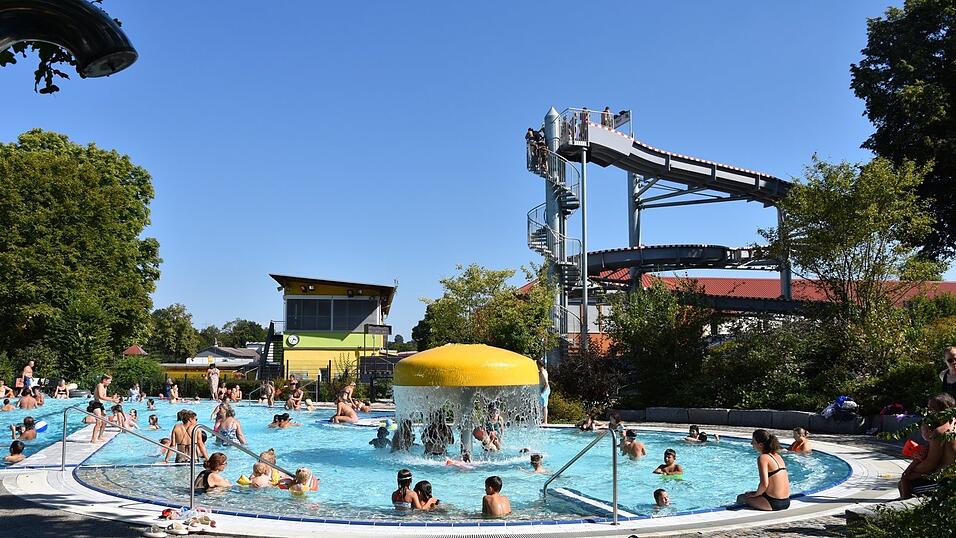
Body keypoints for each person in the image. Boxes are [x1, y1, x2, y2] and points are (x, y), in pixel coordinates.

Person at [899, 393, 956, 499]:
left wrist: (910, 472)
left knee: (905, 483)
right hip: (950, 476)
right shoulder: (951, 427)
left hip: (948, 483)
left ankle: (908, 509)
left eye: (931, 409)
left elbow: (929, 464)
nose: (928, 413)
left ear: (943, 410)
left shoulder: (940, 432)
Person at [736, 429, 791, 511]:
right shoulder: (777, 456)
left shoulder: (763, 458)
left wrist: (755, 495)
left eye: (753, 441)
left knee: (741, 497)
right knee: (750, 493)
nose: (751, 444)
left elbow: (764, 484)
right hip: (786, 501)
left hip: (773, 503)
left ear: (760, 444)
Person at [91, 375, 118, 443]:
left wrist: (112, 398)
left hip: (101, 405)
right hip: (96, 404)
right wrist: (112, 399)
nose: (110, 382)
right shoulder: (99, 385)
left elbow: (104, 397)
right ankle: (93, 439)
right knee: (98, 422)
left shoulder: (105, 387)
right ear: (104, 380)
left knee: (104, 421)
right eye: (109, 381)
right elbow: (100, 396)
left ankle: (100, 436)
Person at [537, 359, 550, 424]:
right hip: (542, 388)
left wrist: (542, 392)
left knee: (544, 405)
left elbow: (546, 384)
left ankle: (545, 421)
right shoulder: (541, 371)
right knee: (540, 405)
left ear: (539, 365)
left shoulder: (543, 373)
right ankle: (541, 420)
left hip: (545, 389)